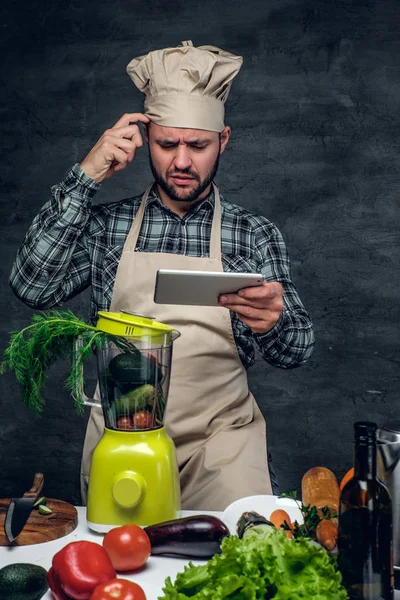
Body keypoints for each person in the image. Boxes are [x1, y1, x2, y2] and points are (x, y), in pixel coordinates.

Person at [9, 40, 314, 510]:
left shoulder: (252, 234)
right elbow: (31, 285)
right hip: (124, 439)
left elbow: (297, 351)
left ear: (224, 140)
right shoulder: (106, 227)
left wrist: (274, 323)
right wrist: (86, 176)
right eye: (168, 144)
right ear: (144, 138)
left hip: (224, 448)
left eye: (199, 145)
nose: (183, 161)